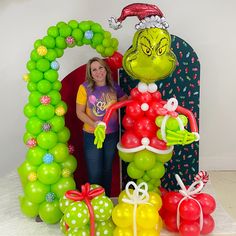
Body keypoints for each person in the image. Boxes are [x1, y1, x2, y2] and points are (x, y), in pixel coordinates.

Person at [76, 57, 127, 196]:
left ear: (105, 69)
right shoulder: (84, 88)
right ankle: (95, 202)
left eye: (101, 68)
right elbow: (79, 112)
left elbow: (126, 101)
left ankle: (106, 200)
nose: (98, 72)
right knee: (95, 172)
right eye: (94, 69)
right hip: (92, 135)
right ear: (90, 73)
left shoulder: (114, 87)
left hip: (111, 135)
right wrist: (94, 124)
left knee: (107, 169)